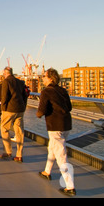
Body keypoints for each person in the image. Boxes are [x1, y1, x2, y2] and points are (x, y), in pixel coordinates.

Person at [37, 68, 76, 196]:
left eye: (44, 76)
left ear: (50, 78)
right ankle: (47, 172)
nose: (42, 78)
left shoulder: (46, 91)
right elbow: (69, 107)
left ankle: (70, 186)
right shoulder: (63, 90)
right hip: (66, 124)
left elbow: (41, 110)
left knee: (61, 155)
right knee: (52, 148)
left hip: (55, 125)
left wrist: (39, 114)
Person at [0, 67, 28, 162]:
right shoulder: (20, 82)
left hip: (9, 110)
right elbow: (25, 95)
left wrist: (3, 109)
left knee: (4, 128)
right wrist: (24, 106)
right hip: (20, 109)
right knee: (19, 132)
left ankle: (8, 151)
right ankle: (19, 155)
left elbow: (4, 97)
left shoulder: (6, 81)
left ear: (5, 73)